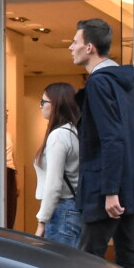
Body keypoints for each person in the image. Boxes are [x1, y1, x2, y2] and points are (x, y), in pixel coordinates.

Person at [71, 18, 134, 268]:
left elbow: (112, 138)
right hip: (127, 183)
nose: (71, 47)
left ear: (89, 47)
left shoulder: (99, 83)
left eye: (75, 42)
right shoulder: (126, 83)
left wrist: (111, 191)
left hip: (107, 186)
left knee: (88, 259)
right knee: (128, 255)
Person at [33, 82, 82, 247]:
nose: (40, 107)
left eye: (43, 102)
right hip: (74, 208)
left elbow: (54, 185)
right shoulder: (74, 131)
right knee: (72, 265)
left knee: (59, 266)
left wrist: (42, 220)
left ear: (55, 104)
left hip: (61, 210)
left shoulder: (58, 136)